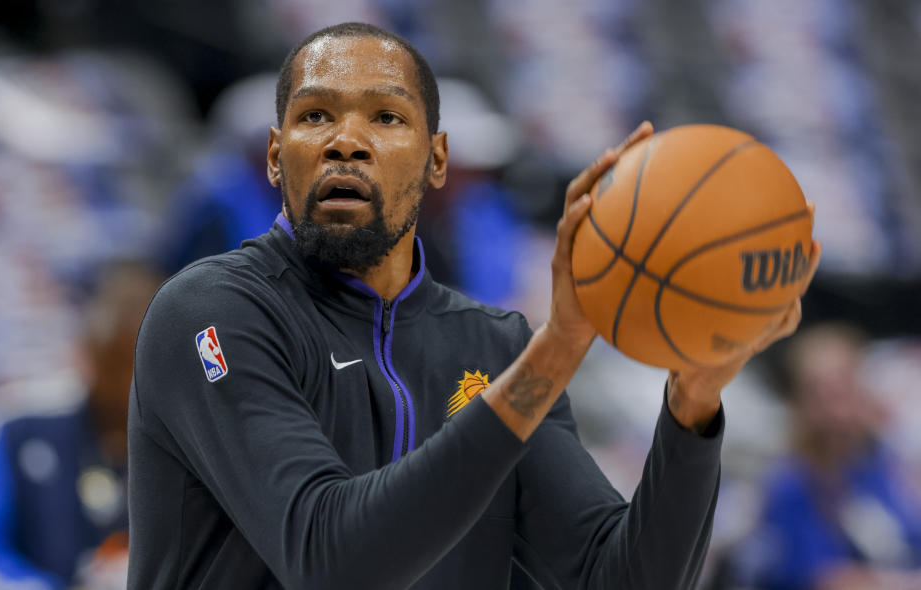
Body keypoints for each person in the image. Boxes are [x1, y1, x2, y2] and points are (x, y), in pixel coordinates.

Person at [127, 22, 820, 589]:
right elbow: (329, 561)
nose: (345, 140)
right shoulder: (211, 312)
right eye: (314, 115)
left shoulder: (493, 349)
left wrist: (692, 405)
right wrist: (554, 351)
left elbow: (618, 578)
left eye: (385, 116)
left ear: (436, 161)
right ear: (277, 158)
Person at [0, 261, 160, 590]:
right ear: (87, 351)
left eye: (137, 365)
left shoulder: (191, 433)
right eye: (114, 361)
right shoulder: (18, 418)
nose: (127, 383)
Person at [724, 323, 921, 590]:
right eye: (821, 394)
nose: (837, 410)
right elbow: (823, 580)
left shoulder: (881, 465)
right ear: (799, 404)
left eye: (844, 387)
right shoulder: (789, 487)